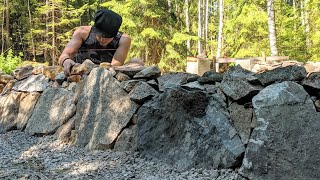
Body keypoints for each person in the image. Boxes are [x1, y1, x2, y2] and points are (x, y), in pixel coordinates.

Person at [58, 9, 143, 76]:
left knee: (137, 62)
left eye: (107, 37)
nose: (102, 39)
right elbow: (64, 55)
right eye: (99, 35)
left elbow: (115, 67)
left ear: (115, 34)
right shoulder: (82, 32)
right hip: (80, 73)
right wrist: (66, 61)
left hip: (107, 74)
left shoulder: (123, 39)